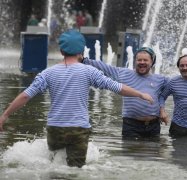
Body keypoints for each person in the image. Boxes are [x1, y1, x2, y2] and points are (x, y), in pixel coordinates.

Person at [0, 29, 154, 168]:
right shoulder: (89, 71)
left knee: (54, 165)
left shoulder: (47, 73)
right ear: (81, 52)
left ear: (61, 51)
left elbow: (26, 95)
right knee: (75, 171)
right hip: (78, 129)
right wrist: (140, 94)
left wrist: (5, 115)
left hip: (54, 129)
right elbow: (117, 87)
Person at [83, 47, 170, 139]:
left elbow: (165, 94)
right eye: (139, 60)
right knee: (129, 151)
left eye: (145, 60)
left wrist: (162, 109)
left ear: (152, 62)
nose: (142, 62)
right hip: (131, 125)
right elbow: (104, 67)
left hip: (154, 126)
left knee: (153, 152)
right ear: (135, 61)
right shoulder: (124, 74)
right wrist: (83, 60)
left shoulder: (160, 79)